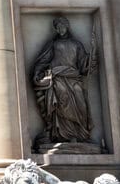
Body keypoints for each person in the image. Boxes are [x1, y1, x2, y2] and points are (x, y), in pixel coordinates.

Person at [31, 16, 93, 146]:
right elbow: (43, 60)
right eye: (58, 27)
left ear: (67, 26)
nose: (60, 29)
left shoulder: (77, 44)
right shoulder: (53, 44)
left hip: (74, 78)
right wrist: (37, 73)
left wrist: (91, 59)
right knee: (62, 101)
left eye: (62, 26)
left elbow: (83, 63)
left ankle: (79, 133)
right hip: (58, 77)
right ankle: (63, 136)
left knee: (80, 102)